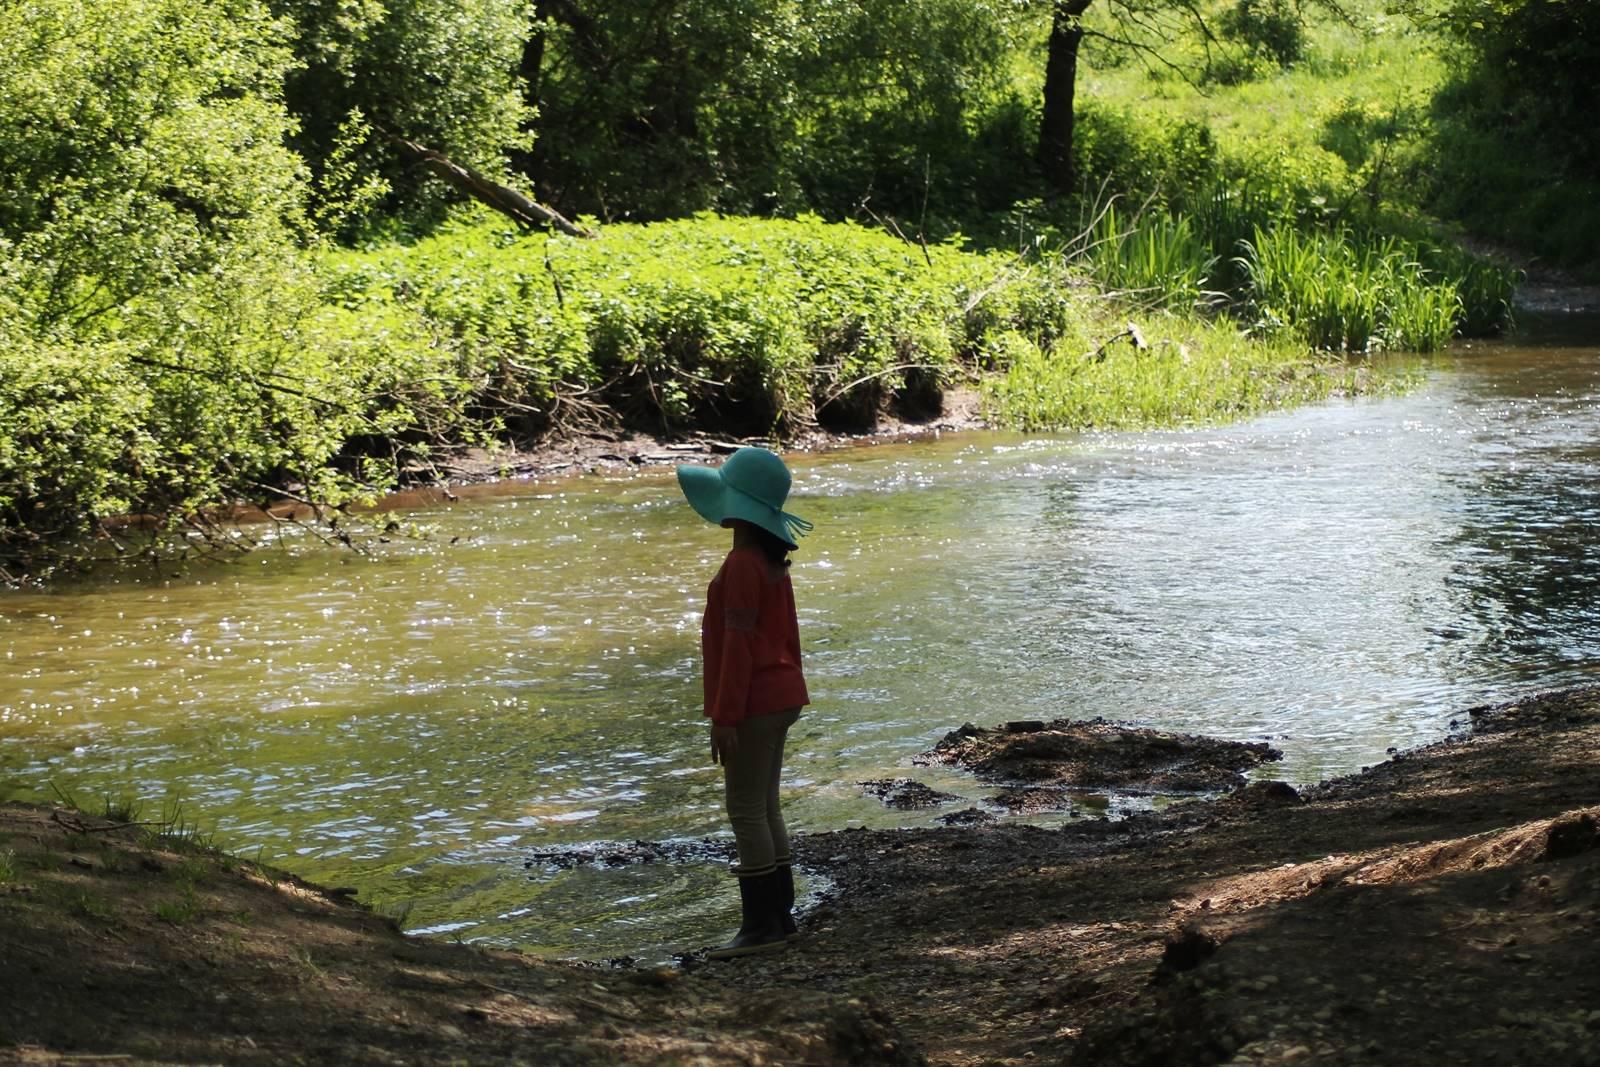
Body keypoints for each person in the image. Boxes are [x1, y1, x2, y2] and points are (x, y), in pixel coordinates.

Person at [676, 446, 813, 959]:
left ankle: (761, 928)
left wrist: (724, 716)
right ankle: (781, 917)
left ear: (737, 504)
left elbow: (736, 648)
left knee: (745, 810)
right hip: (783, 694)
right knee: (766, 806)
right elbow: (788, 639)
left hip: (755, 700)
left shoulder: (741, 564)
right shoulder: (771, 562)